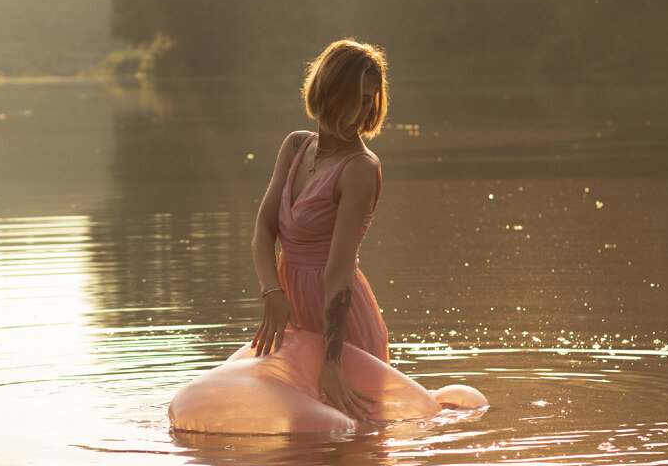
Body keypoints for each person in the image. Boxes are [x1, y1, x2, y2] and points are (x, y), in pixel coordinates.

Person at [169, 39, 487, 435]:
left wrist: (333, 363)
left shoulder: (361, 169)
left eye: (370, 100)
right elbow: (264, 230)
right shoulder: (295, 147)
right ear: (327, 91)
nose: (361, 112)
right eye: (353, 98)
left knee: (349, 446)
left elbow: (338, 271)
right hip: (291, 313)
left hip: (340, 322)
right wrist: (273, 294)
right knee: (286, 440)